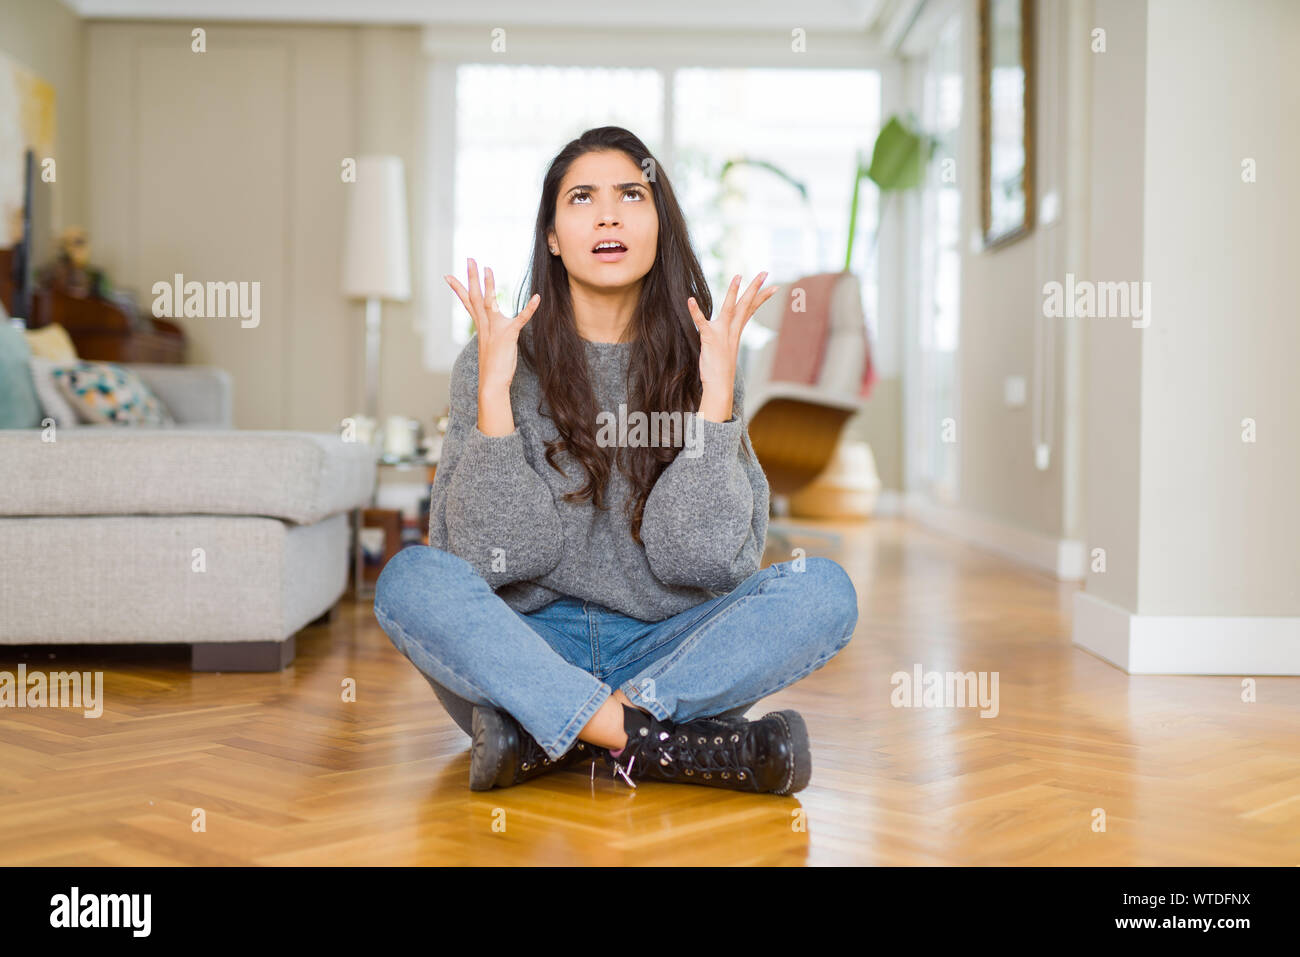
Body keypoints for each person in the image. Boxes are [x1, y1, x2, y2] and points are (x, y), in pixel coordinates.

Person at [373, 126, 858, 795]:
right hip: (527, 649)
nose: (607, 214)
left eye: (631, 194)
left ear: (661, 223)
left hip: (668, 648)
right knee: (411, 579)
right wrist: (493, 395)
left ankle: (550, 738)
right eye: (581, 198)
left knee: (824, 590)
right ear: (551, 235)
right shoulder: (496, 361)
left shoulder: (706, 360)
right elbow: (491, 557)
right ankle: (657, 742)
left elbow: (702, 561)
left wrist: (715, 403)